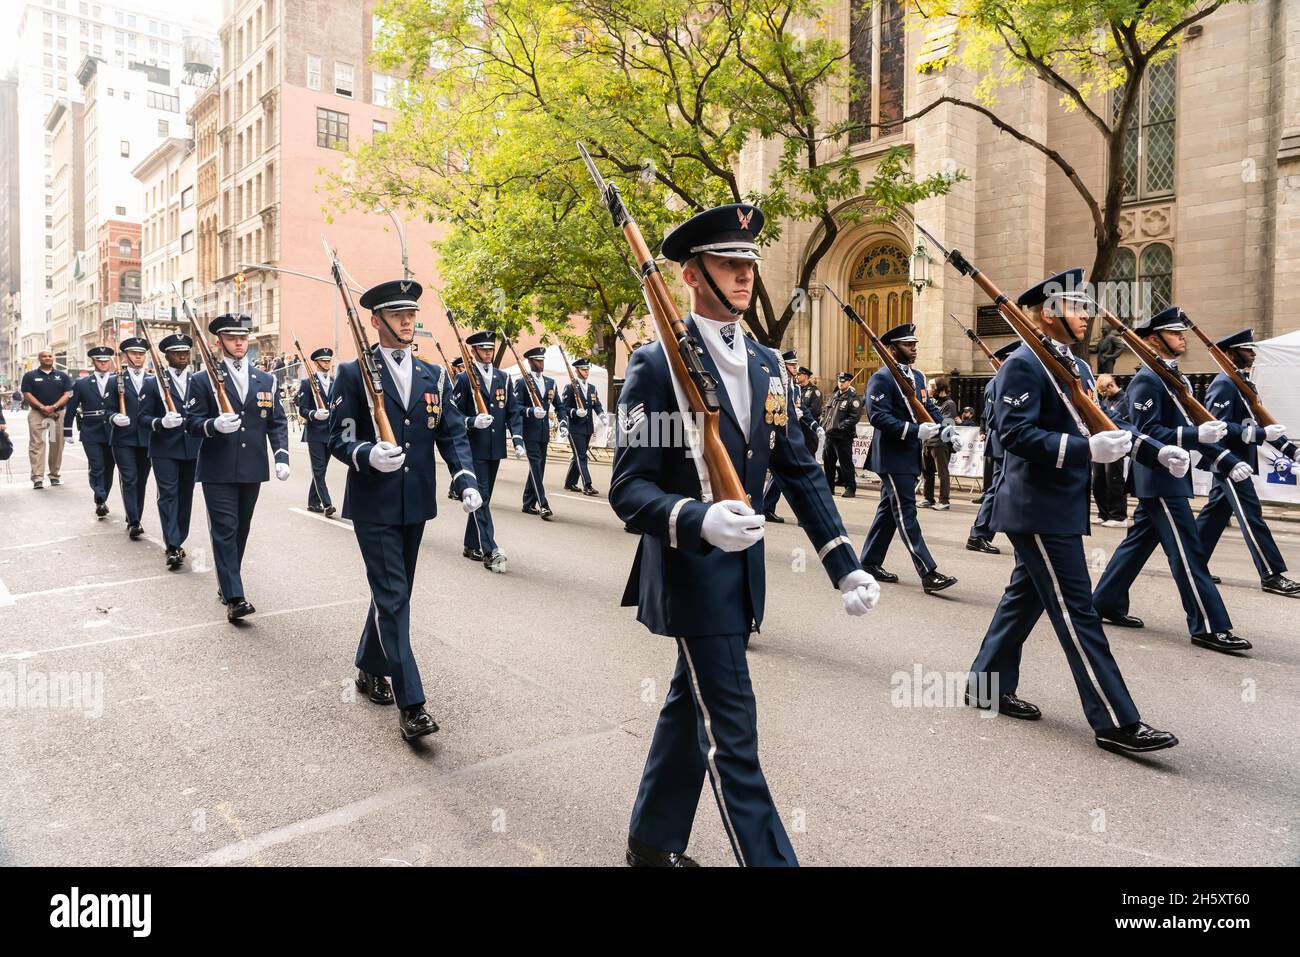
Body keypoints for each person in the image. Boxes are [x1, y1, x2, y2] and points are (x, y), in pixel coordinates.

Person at [611, 202, 879, 867]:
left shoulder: (766, 364)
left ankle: (651, 841)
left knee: (689, 707)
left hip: (742, 576)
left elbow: (797, 467)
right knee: (734, 736)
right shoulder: (656, 366)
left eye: (748, 265)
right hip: (689, 573)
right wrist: (697, 516)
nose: (743, 276)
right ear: (691, 275)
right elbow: (629, 490)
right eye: (728, 264)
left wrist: (843, 561)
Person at [967, 268, 1183, 753]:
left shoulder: (1078, 369)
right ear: (1048, 313)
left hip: (1060, 507)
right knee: (1075, 610)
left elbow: (1112, 425)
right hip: (1036, 508)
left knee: (1024, 599)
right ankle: (1115, 721)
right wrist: (1085, 451)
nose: (1086, 316)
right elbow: (1014, 435)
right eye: (1075, 307)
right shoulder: (1022, 364)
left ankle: (985, 686)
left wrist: (1152, 452)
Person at [328, 279, 483, 741]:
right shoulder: (354, 373)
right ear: (376, 322)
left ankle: (367, 666)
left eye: (412, 314)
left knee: (394, 595)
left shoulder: (433, 374)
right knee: (394, 596)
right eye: (397, 315)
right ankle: (411, 702)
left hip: (415, 501)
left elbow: (451, 432)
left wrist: (465, 476)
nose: (407, 321)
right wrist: (365, 454)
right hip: (374, 502)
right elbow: (339, 435)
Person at [1092, 306, 1253, 654]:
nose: (1182, 338)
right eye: (1175, 333)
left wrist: (1217, 452)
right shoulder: (1148, 379)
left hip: (1168, 476)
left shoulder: (1167, 375)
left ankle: (1105, 601)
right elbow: (1150, 431)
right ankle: (1209, 625)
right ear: (1153, 339)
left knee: (1137, 545)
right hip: (1160, 476)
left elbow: (1187, 428)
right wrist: (1198, 437)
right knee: (1187, 551)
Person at [184, 314, 290, 622]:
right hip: (217, 468)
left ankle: (227, 580)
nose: (239, 342)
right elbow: (191, 424)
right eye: (232, 338)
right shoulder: (203, 380)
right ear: (219, 342)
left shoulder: (266, 379)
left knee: (241, 530)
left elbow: (277, 420)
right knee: (225, 529)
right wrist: (212, 425)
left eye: (243, 337)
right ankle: (234, 596)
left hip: (252, 467)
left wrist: (281, 455)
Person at [1195, 328, 1300, 596]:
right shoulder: (1224, 383)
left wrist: (1290, 449)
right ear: (1230, 353)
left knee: (1214, 516)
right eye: (1246, 349)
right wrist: (1229, 458)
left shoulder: (1241, 383)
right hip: (1230, 464)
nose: (1252, 353)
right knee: (1252, 516)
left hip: (1239, 462)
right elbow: (1217, 427)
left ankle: (1193, 564)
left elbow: (1260, 422)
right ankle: (1271, 574)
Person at [859, 325, 959, 594]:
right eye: (907, 344)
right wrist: (914, 431)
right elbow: (877, 417)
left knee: (888, 514)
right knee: (906, 512)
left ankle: (868, 562)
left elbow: (926, 407)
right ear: (892, 349)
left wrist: (947, 429)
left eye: (914, 343)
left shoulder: (916, 376)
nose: (914, 348)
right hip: (892, 456)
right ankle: (928, 571)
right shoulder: (881, 378)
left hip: (909, 455)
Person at [453, 329, 525, 571]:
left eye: (490, 349)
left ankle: (469, 544)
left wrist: (516, 438)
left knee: (483, 498)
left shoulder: (503, 378)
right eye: (483, 349)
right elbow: (453, 415)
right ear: (472, 351)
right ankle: (489, 549)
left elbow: (512, 410)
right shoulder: (465, 379)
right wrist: (472, 421)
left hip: (494, 448)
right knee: (481, 497)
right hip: (474, 448)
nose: (487, 353)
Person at [138, 334, 202, 569]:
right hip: (164, 447)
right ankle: (172, 544)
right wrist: (160, 423)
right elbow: (142, 418)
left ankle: (179, 537)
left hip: (192, 447)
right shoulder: (152, 383)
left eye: (185, 352)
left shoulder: (199, 381)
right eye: (177, 352)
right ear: (166, 357)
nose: (183, 356)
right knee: (168, 495)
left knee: (185, 496)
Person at [966, 341, 1021, 554]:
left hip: (1008, 444)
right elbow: (993, 419)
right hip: (1003, 444)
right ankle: (979, 534)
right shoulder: (997, 383)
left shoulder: (1010, 381)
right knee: (997, 490)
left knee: (1003, 489)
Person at [759, 348, 823, 523]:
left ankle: (767, 507)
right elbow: (771, 407)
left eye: (796, 365)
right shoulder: (776, 382)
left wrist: (815, 426)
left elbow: (801, 408)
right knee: (796, 473)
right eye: (792, 365)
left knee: (783, 473)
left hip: (792, 434)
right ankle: (803, 514)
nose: (795, 368)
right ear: (783, 365)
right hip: (780, 433)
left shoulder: (794, 386)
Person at [105, 338, 155, 538]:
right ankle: (134, 521)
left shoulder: (153, 380)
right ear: (125, 356)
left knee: (141, 479)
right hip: (123, 438)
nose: (138, 357)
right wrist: (114, 417)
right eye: (134, 353)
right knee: (130, 478)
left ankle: (135, 515)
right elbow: (107, 410)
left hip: (146, 437)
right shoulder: (114, 380)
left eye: (141, 353)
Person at [62, 347, 118, 516]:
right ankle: (100, 498)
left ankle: (102, 497)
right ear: (93, 362)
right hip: (90, 431)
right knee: (97, 466)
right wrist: (67, 431)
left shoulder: (118, 381)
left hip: (113, 431)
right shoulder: (81, 383)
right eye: (99, 360)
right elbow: (71, 408)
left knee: (109, 467)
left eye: (106, 360)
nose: (103, 363)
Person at [515, 345, 565, 520]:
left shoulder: (550, 382)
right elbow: (516, 408)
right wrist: (530, 411)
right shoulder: (522, 383)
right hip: (529, 432)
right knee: (536, 465)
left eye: (542, 360)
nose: (541, 363)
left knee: (539, 468)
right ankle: (543, 503)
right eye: (537, 360)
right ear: (530, 362)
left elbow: (559, 406)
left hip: (544, 432)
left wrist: (563, 423)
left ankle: (528, 503)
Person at [21, 350, 73, 489]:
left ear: (53, 358)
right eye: (44, 356)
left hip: (58, 414)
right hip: (37, 413)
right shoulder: (30, 375)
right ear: (39, 359)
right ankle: (37, 478)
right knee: (36, 444)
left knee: (57, 445)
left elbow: (67, 393)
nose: (47, 358)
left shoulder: (62, 376)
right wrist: (42, 407)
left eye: (50, 356)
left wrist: (54, 406)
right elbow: (26, 393)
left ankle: (54, 475)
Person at [295, 346, 336, 516]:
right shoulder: (307, 383)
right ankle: (327, 504)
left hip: (330, 432)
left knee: (322, 469)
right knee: (318, 470)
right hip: (315, 432)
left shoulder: (335, 381)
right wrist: (314, 414)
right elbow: (302, 409)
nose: (327, 363)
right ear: (316, 363)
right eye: (323, 361)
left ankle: (313, 502)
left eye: (328, 360)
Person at [562, 357, 606, 495]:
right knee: (582, 456)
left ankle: (570, 483)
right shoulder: (570, 387)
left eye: (587, 369)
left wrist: (601, 414)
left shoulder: (591, 388)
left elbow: (596, 404)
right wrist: (575, 412)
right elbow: (563, 408)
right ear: (576, 371)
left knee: (578, 456)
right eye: (583, 369)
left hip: (587, 427)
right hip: (574, 428)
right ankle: (587, 485)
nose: (586, 371)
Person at [1092, 374, 1129, 527]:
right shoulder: (1106, 401)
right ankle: (1104, 513)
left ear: (1110, 385)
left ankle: (1118, 515)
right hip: (1103, 442)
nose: (1102, 395)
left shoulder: (1125, 400)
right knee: (1098, 479)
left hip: (1116, 443)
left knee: (1113, 479)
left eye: (1103, 391)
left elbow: (1123, 420)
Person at [821, 372, 862, 496]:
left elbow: (854, 417)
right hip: (829, 436)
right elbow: (825, 412)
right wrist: (823, 423)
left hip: (843, 436)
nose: (841, 383)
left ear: (849, 382)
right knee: (828, 463)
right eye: (839, 381)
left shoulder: (853, 398)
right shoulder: (834, 396)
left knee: (846, 464)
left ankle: (850, 488)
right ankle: (829, 488)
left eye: (843, 381)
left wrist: (839, 427)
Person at [920, 376, 957, 510]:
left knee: (942, 472)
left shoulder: (949, 404)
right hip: (928, 441)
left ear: (939, 389)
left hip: (940, 443)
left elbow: (945, 422)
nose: (928, 389)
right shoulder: (931, 402)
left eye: (931, 386)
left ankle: (944, 500)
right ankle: (928, 498)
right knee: (927, 472)